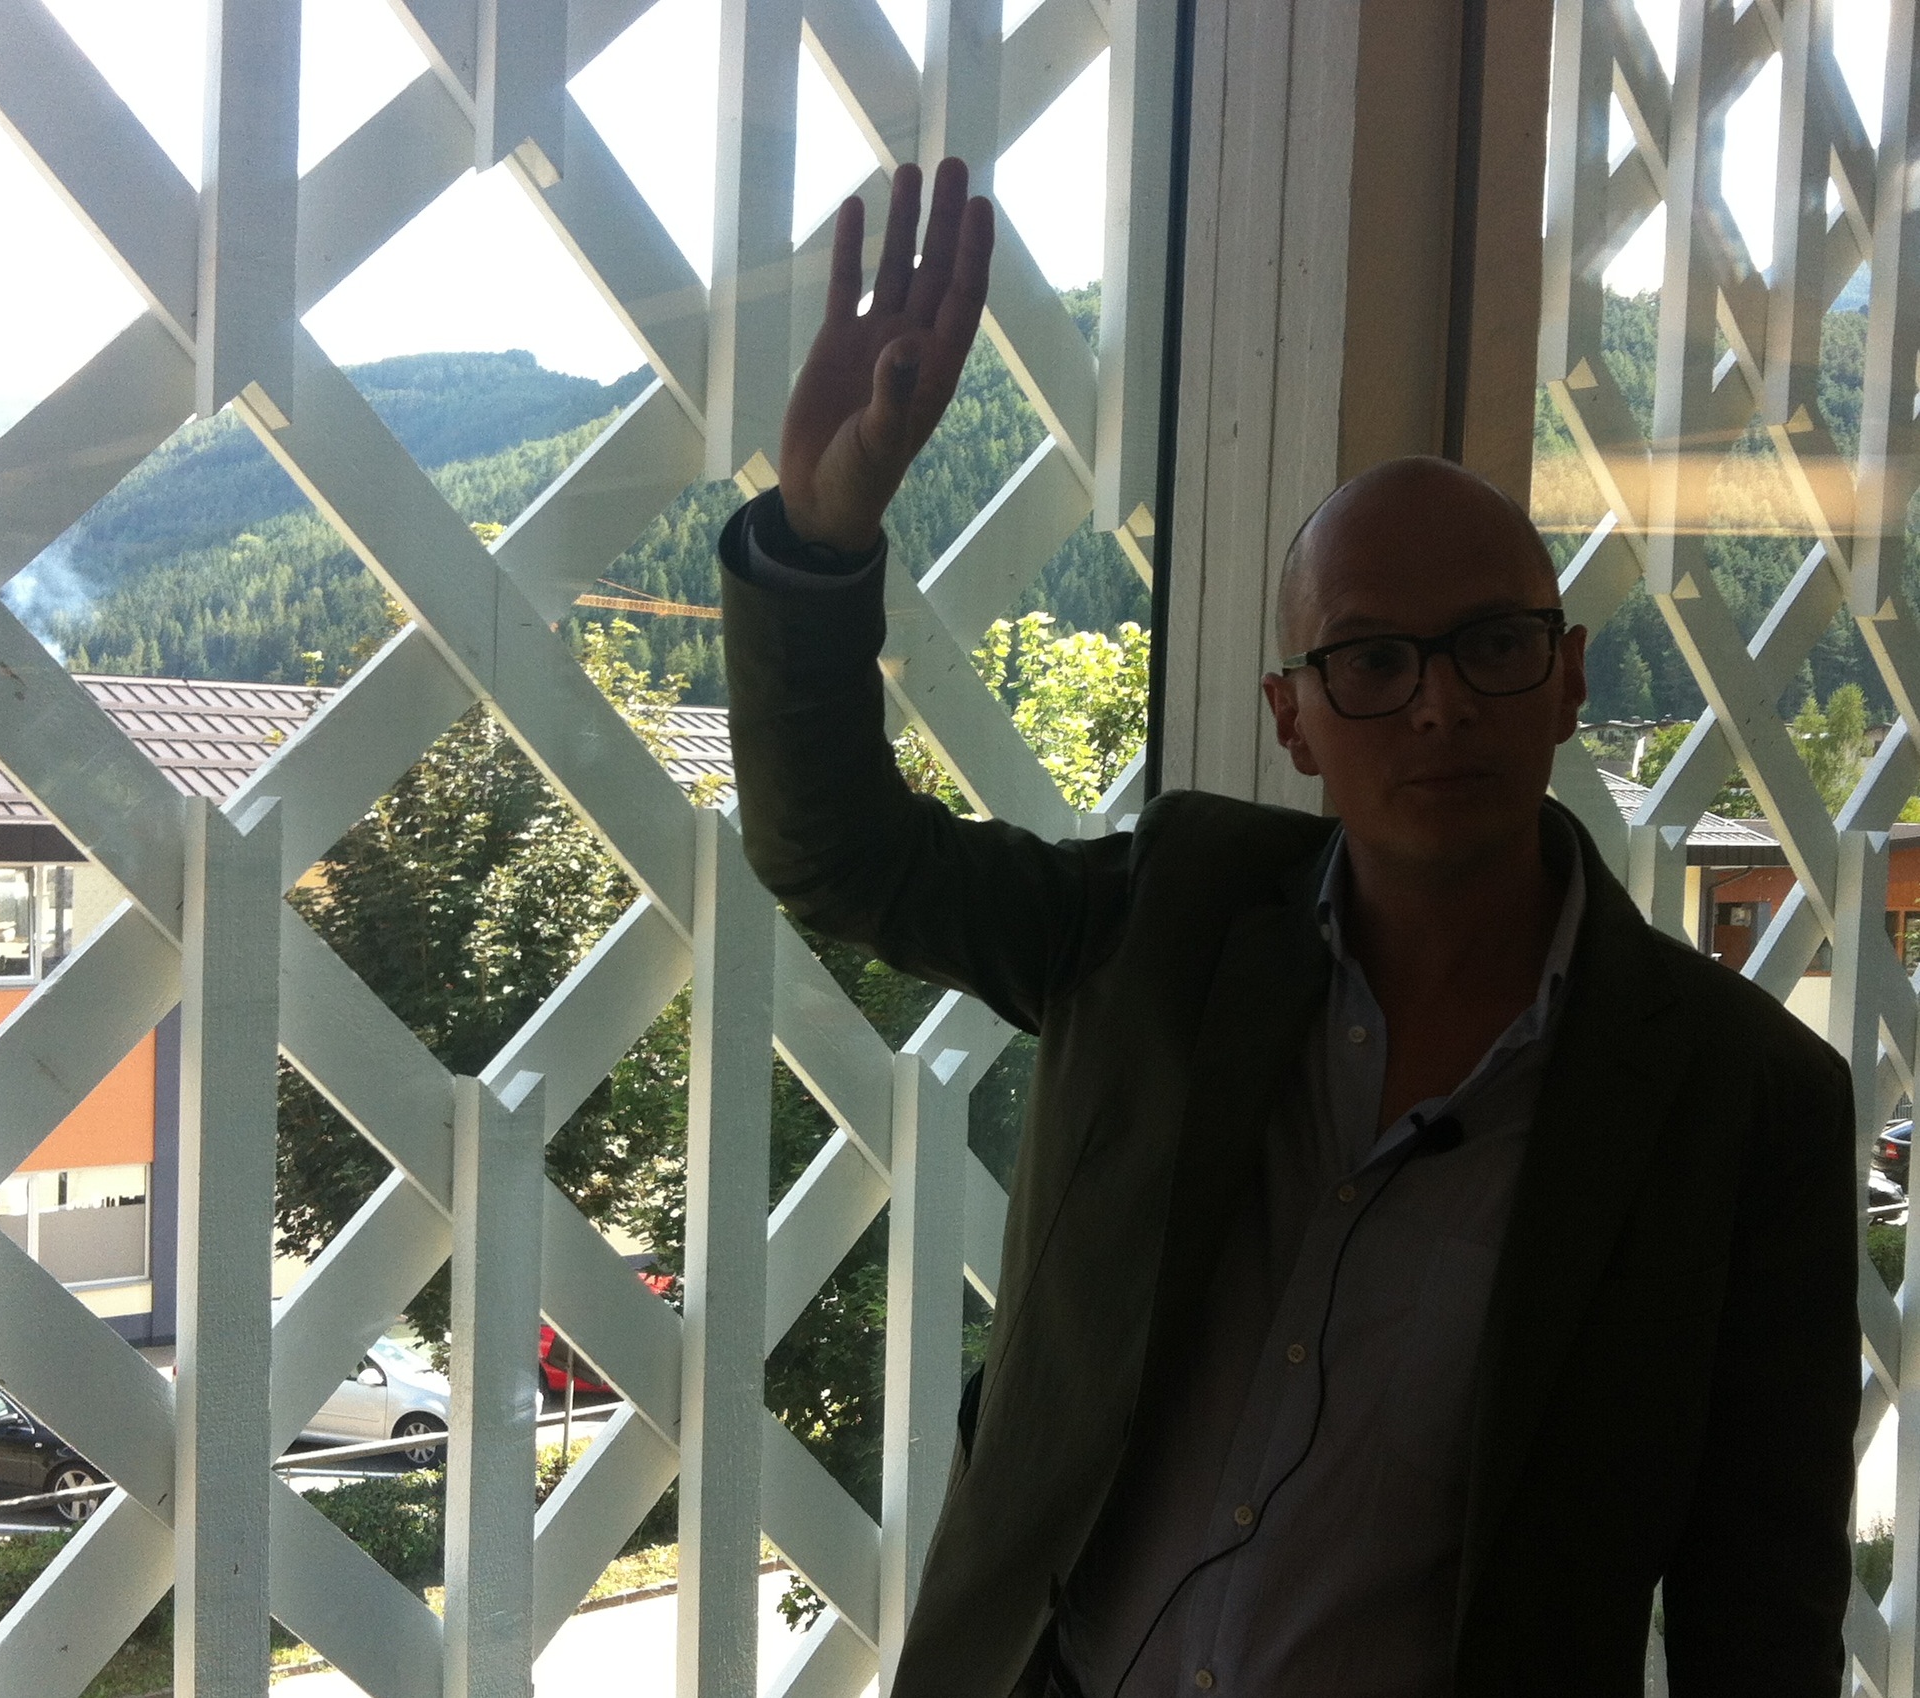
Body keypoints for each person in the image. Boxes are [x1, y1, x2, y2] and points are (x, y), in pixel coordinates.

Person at [717, 158, 1859, 1696]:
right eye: (1370, 659)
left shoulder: (1742, 1099)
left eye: (1491, 643)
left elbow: (1759, 1601)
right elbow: (841, 856)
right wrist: (815, 536)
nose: (1438, 703)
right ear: (1291, 719)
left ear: (1567, 677)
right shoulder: (1166, 918)